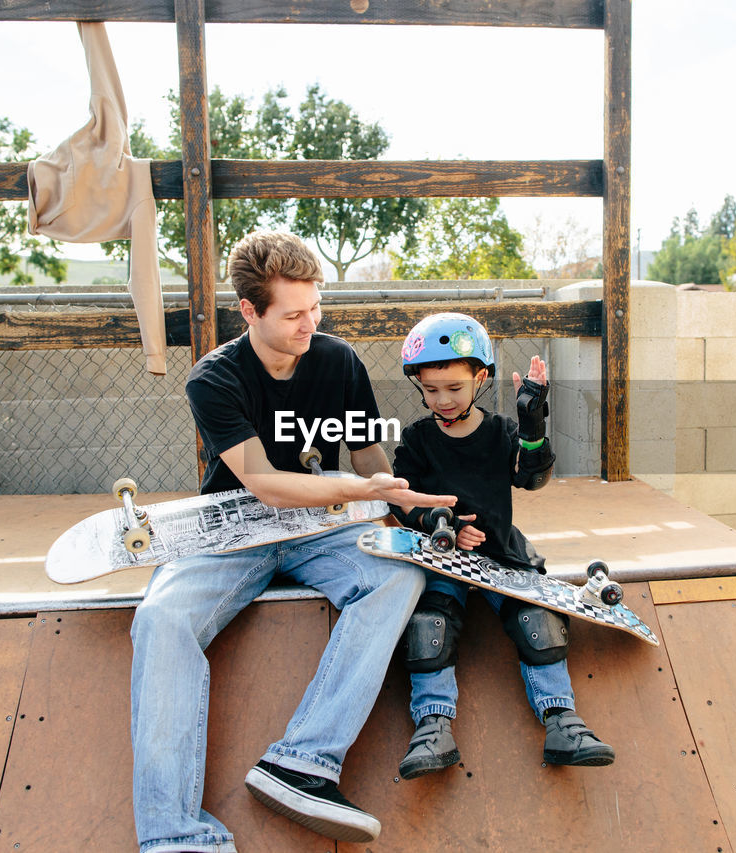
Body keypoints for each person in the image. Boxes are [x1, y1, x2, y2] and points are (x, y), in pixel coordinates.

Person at [128, 231, 454, 852]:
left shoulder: (338, 361)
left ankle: (303, 763)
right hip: (233, 528)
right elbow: (264, 484)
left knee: (399, 574)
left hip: (319, 530)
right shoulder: (214, 381)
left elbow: (364, 453)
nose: (312, 324)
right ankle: (175, 836)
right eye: (295, 314)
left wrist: (397, 499)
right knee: (162, 618)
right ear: (250, 311)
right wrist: (359, 492)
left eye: (317, 308)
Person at [388, 312, 616, 781]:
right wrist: (436, 522)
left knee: (537, 617)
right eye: (431, 390)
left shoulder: (499, 434)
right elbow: (401, 500)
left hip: (501, 555)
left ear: (481, 378)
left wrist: (532, 423)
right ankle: (433, 726)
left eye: (454, 388)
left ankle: (562, 722)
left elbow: (532, 478)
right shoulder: (416, 439)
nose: (443, 400)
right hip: (443, 556)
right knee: (430, 623)